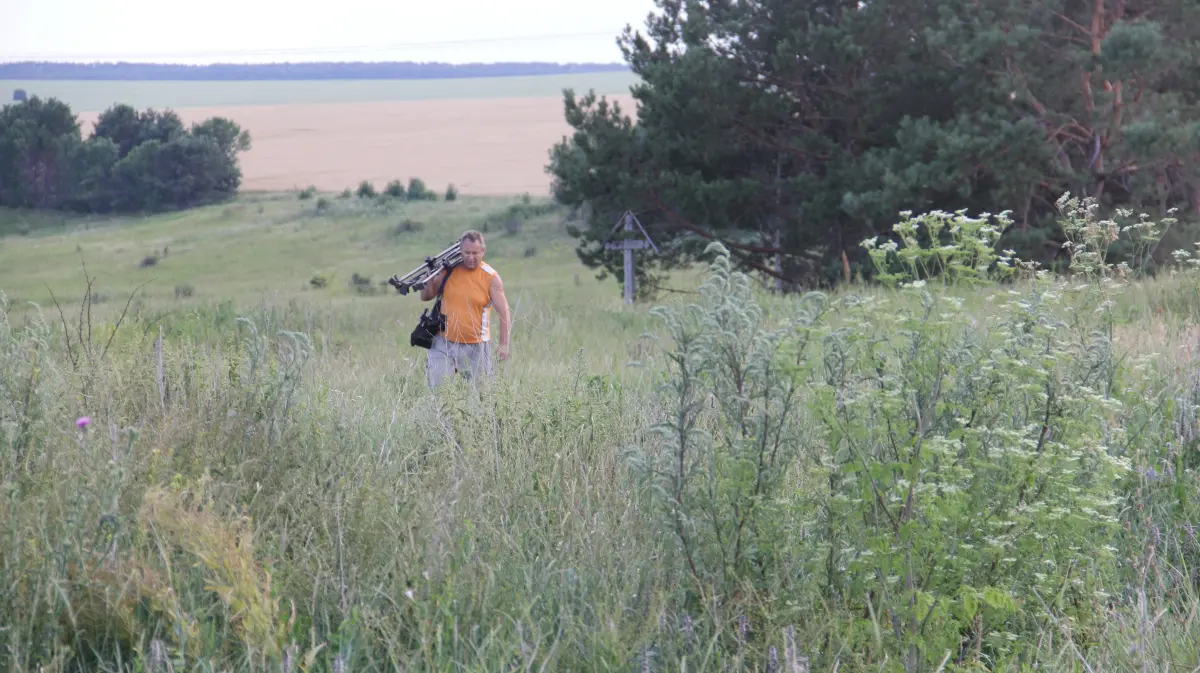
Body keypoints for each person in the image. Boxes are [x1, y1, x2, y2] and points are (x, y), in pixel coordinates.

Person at [418, 230, 511, 387]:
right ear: (460, 251)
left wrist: (504, 344)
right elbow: (426, 296)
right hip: (443, 342)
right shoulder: (448, 270)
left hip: (476, 345)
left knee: (482, 395)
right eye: (466, 252)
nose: (470, 257)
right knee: (439, 391)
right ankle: (441, 413)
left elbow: (504, 313)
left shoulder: (491, 277)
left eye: (475, 253)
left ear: (483, 251)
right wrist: (430, 277)